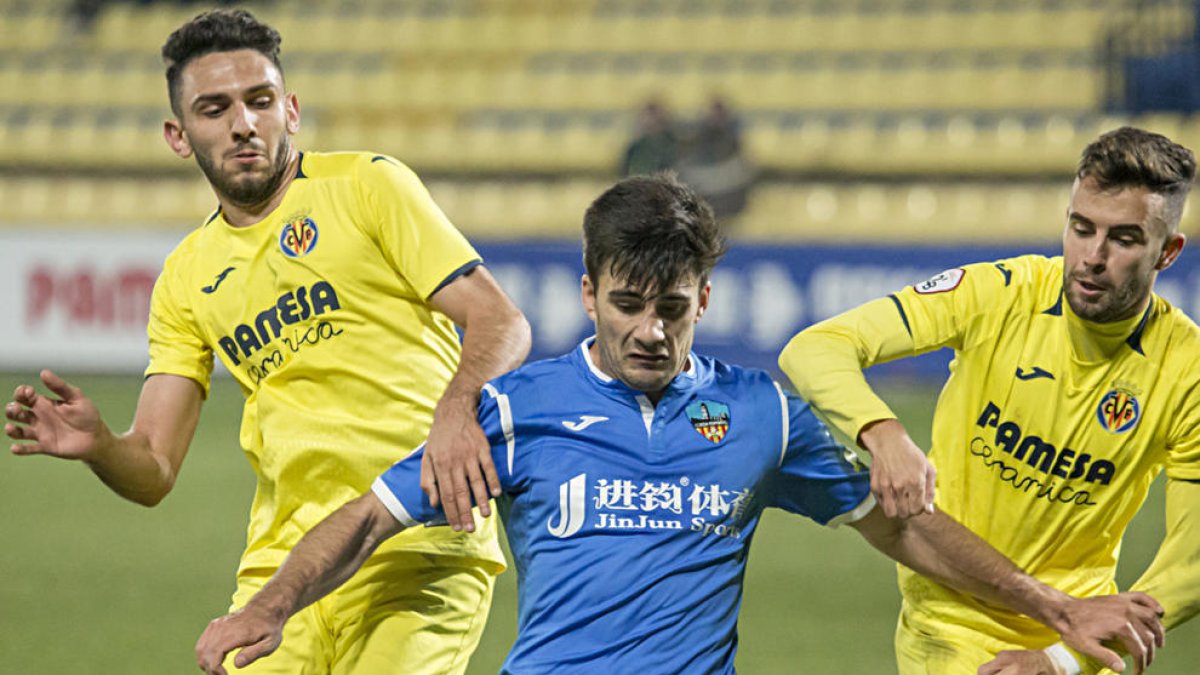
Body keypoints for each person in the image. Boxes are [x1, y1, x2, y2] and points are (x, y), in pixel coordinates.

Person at [195, 174, 1161, 675]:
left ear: (704, 296)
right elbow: (370, 512)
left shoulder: (760, 416)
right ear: (587, 293)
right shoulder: (520, 409)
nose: (650, 332)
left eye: (673, 308)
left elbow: (907, 528)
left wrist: (1057, 608)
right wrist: (270, 608)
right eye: (627, 305)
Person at [4, 8, 529, 674]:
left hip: (418, 544)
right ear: (178, 133)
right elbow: (155, 467)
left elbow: (501, 322)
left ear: (292, 109)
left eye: (260, 101)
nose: (243, 123)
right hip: (282, 572)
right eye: (214, 108)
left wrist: (456, 413)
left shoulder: (368, 186)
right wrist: (103, 447)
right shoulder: (186, 276)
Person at [778, 126, 1200, 675]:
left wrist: (1061, 659)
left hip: (1079, 634)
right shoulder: (1000, 294)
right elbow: (815, 347)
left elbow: (1192, 558)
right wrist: (881, 431)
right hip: (952, 621)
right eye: (1080, 227)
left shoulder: (1186, 369)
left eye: (1123, 239)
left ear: (1167, 251)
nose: (1092, 256)